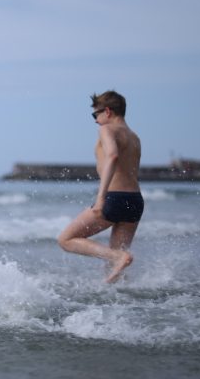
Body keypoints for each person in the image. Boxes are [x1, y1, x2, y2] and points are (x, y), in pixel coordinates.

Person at [57, 91, 144, 283]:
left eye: (95, 115)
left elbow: (112, 156)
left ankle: (118, 257)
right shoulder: (134, 137)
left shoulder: (107, 130)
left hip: (114, 197)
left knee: (65, 240)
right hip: (135, 200)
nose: (96, 121)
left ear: (107, 111)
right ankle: (122, 301)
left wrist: (100, 198)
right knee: (114, 272)